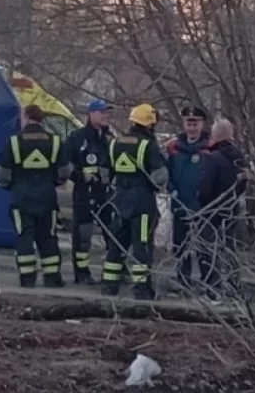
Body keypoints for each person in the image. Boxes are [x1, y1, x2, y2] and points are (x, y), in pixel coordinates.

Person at [0, 105, 72, 287]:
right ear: (41, 119)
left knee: (24, 236)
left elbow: (1, 175)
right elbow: (65, 171)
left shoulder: (14, 142)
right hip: (47, 199)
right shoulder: (55, 142)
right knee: (48, 236)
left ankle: (27, 278)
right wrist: (53, 182)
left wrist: (11, 186)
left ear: (27, 117)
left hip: (21, 199)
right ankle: (52, 277)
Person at [101, 103, 168, 299]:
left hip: (119, 200)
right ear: (150, 124)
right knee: (142, 245)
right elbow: (160, 177)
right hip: (142, 202)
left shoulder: (114, 143)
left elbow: (105, 173)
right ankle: (141, 289)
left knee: (116, 244)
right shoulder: (149, 146)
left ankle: (109, 285)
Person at [66, 99, 114, 285]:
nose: (105, 116)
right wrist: (80, 177)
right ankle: (82, 273)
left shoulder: (109, 138)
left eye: (107, 113)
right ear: (91, 114)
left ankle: (112, 274)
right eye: (102, 112)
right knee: (83, 235)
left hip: (106, 194)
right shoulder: (77, 138)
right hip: (84, 193)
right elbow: (64, 165)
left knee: (111, 233)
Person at [198, 118, 247, 299]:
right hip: (232, 208)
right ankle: (234, 286)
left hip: (212, 210)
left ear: (216, 135)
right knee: (229, 247)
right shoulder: (239, 157)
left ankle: (214, 289)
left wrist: (202, 204)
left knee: (209, 249)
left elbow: (205, 187)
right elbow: (244, 183)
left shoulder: (213, 158)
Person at [166, 105, 210, 289]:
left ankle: (206, 281)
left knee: (204, 246)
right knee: (180, 244)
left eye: (196, 123)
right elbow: (165, 172)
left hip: (204, 205)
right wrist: (171, 189)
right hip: (179, 202)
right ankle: (183, 279)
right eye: (189, 123)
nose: (192, 127)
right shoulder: (174, 146)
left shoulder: (210, 146)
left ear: (202, 124)